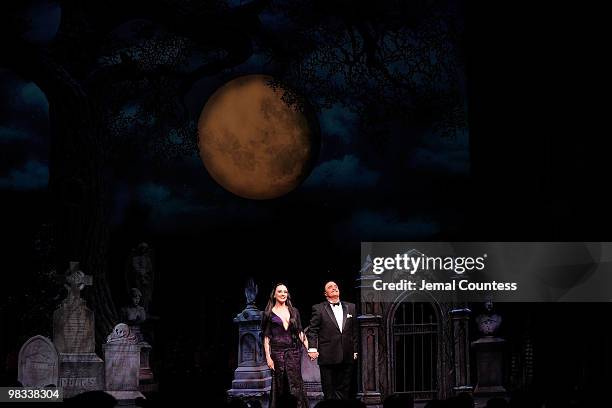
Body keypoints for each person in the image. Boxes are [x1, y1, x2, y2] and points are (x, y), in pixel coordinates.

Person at [307, 281, 358, 400]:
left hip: (347, 355)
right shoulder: (319, 308)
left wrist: (355, 350)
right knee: (329, 392)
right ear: (325, 293)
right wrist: (313, 348)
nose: (334, 288)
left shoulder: (351, 307)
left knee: (344, 390)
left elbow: (354, 331)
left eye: (336, 286)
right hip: (328, 356)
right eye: (330, 287)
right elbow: (312, 330)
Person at [261, 283, 309, 408]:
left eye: (285, 292)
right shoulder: (268, 313)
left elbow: (300, 332)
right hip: (277, 354)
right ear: (274, 294)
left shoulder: (294, 311)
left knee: (296, 383)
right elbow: (266, 337)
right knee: (280, 384)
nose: (283, 294)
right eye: (280, 291)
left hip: (293, 353)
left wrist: (310, 348)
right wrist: (268, 358)